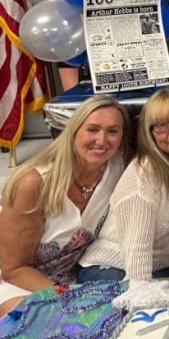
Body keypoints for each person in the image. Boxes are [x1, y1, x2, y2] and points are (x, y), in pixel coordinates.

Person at [0, 95, 129, 315]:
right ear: (73, 131)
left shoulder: (117, 166)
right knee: (39, 321)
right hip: (18, 282)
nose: (102, 140)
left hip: (73, 277)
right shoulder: (34, 183)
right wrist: (70, 299)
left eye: (112, 131)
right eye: (93, 129)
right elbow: (13, 268)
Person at [79, 89, 169, 282]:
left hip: (168, 267)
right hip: (116, 267)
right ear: (150, 133)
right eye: (161, 126)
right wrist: (142, 296)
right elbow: (136, 253)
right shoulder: (144, 173)